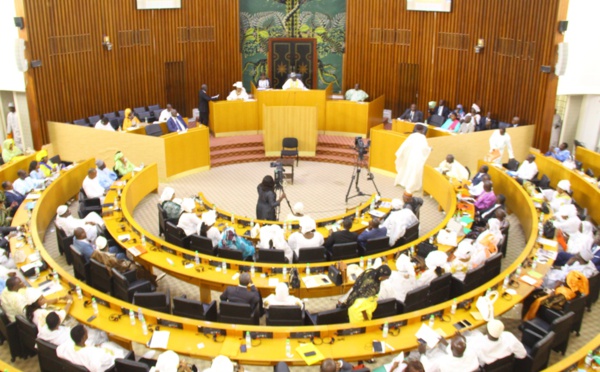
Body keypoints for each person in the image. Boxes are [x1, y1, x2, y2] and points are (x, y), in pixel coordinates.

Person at [56, 325, 127, 372]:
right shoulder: (92, 354)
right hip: (112, 364)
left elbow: (58, 350)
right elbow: (103, 365)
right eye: (86, 331)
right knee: (115, 347)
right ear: (84, 337)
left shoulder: (67, 348)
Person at [394, 124, 431, 193]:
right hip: (417, 157)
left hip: (409, 156)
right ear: (422, 130)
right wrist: (429, 149)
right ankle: (411, 185)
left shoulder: (411, 136)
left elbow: (404, 146)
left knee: (407, 168)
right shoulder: (422, 137)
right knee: (414, 171)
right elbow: (424, 148)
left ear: (416, 129)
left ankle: (403, 182)